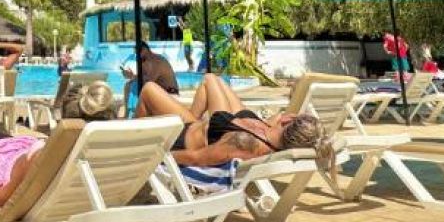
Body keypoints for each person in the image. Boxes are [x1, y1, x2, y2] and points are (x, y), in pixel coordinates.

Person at [135, 73, 335, 172]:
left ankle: (135, 145)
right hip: (196, 126)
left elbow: (195, 158)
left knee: (149, 90)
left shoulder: (245, 142)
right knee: (210, 78)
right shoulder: (271, 133)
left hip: (181, 138)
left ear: (288, 120)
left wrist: (149, 160)